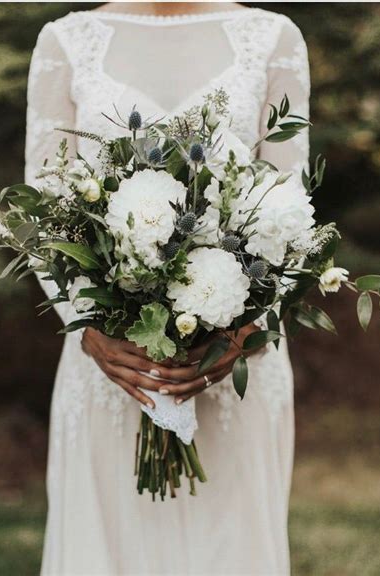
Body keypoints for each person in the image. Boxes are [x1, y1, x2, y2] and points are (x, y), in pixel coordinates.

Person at [25, 2, 310, 574]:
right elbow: (44, 209)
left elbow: (292, 208)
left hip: (233, 365)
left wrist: (246, 329)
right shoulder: (65, 41)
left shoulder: (272, 37)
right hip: (112, 368)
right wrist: (90, 329)